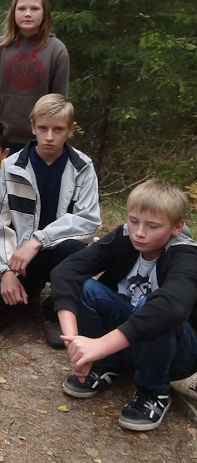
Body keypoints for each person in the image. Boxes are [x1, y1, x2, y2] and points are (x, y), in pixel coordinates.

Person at [52, 179, 197, 431]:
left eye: (152, 226)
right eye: (133, 221)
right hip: (127, 340)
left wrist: (99, 345)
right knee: (86, 287)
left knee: (153, 306)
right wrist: (74, 343)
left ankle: (154, 390)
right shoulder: (124, 237)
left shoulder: (186, 255)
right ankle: (108, 364)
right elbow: (66, 272)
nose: (139, 232)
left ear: (177, 227)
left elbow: (172, 307)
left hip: (177, 354)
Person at [0, 95, 100, 343]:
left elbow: (89, 220)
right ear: (32, 127)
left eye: (58, 129)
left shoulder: (82, 167)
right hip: (18, 256)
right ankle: (29, 288)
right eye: (43, 128)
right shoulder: (12, 166)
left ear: (71, 130)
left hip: (56, 252)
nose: (49, 137)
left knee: (75, 250)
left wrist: (38, 240)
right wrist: (5, 272)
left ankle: (53, 310)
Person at [0, 0, 69, 151]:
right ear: (13, 12)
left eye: (35, 9)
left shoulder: (56, 50)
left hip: (37, 139)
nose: (28, 14)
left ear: (45, 13)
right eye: (22, 8)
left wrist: (52, 137)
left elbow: (59, 102)